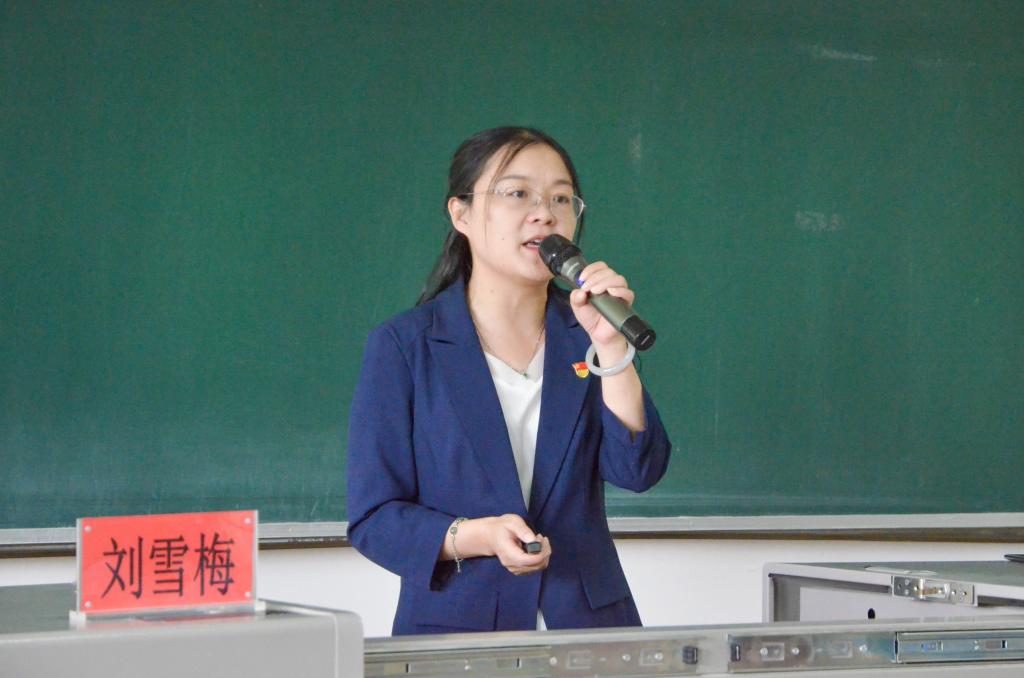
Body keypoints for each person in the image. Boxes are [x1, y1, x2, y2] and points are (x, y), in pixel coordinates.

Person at [346, 126, 671, 635]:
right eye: (517, 194)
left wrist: (613, 349)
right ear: (462, 214)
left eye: (560, 198)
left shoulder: (586, 333)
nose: (545, 213)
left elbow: (638, 470)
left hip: (589, 631)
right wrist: (477, 537)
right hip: (457, 635)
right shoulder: (405, 346)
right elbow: (375, 519)